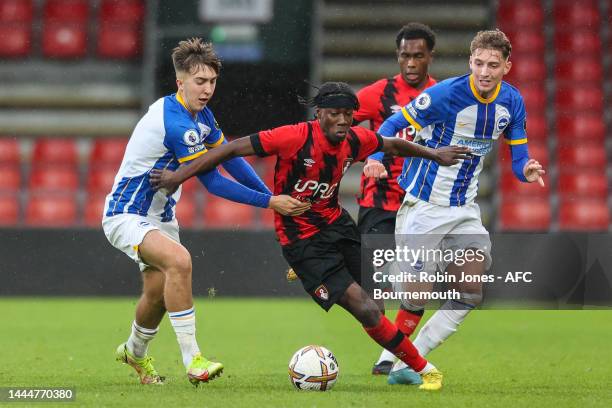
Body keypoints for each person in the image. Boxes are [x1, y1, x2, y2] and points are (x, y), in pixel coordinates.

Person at [150, 82, 472, 391]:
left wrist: (435, 154)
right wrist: (178, 175)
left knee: (377, 303)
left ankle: (396, 361)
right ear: (319, 114)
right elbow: (231, 148)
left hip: (337, 225)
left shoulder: (355, 140)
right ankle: (422, 369)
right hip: (301, 239)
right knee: (367, 310)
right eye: (335, 113)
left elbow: (392, 144)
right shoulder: (293, 137)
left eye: (349, 113)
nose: (343, 119)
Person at [102, 38, 309, 386]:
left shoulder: (202, 115)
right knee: (180, 261)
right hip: (125, 214)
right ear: (180, 81)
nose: (208, 89)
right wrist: (270, 203)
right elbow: (212, 181)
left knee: (157, 294)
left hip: (161, 217)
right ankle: (193, 359)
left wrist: (270, 196)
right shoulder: (176, 123)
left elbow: (230, 157)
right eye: (200, 81)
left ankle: (133, 351)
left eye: (212, 81)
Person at [369, 29, 545, 385]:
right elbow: (392, 124)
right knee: (415, 296)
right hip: (424, 206)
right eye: (478, 63)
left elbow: (519, 156)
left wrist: (526, 170)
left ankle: (407, 362)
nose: (484, 71)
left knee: (471, 291)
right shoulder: (447, 94)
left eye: (493, 65)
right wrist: (374, 157)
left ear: (507, 66)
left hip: (464, 208)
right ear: (470, 62)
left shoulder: (512, 102)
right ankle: (398, 288)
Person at [354, 22, 438, 376]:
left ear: (430, 56)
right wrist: (369, 156)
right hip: (379, 203)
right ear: (397, 55)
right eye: (405, 55)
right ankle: (391, 350)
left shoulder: (444, 95)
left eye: (419, 56)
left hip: (423, 204)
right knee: (375, 286)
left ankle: (390, 357)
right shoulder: (377, 94)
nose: (411, 63)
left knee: (419, 282)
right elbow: (340, 127)